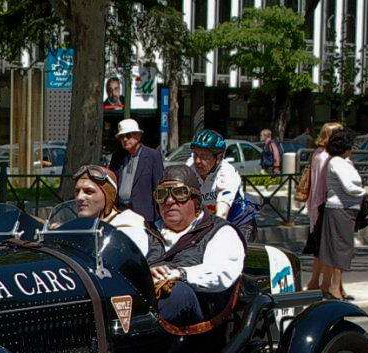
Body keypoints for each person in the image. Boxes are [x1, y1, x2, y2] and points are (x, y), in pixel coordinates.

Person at [149, 164, 245, 328]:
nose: (169, 200)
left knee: (176, 292)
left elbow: (220, 272)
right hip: (142, 307)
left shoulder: (221, 232)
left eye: (180, 193)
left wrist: (179, 274)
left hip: (199, 319)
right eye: (161, 194)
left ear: (196, 201)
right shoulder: (145, 230)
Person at [186, 128, 258, 242]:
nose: (198, 161)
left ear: (219, 158)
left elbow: (221, 214)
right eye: (195, 154)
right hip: (207, 219)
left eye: (204, 156)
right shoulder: (190, 167)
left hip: (238, 221)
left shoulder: (227, 174)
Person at [316, 129, 363, 300]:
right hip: (339, 209)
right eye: (350, 145)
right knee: (340, 249)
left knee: (337, 248)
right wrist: (364, 192)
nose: (353, 149)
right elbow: (350, 187)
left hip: (344, 209)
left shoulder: (343, 162)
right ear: (345, 146)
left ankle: (330, 286)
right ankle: (333, 288)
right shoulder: (337, 162)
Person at [71, 164, 151, 256]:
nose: (79, 197)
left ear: (108, 196)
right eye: (77, 191)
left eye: (89, 191)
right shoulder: (75, 226)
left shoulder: (129, 229)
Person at [304, 121, 343, 292]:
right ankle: (327, 285)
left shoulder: (318, 153)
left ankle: (315, 282)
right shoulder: (328, 156)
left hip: (315, 203)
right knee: (328, 248)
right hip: (325, 204)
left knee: (320, 247)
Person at [107, 118, 164, 224]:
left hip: (145, 216)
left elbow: (158, 187)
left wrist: (158, 218)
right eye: (121, 137)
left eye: (128, 135)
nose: (124, 140)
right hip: (121, 213)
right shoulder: (117, 157)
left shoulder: (152, 156)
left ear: (138, 136)